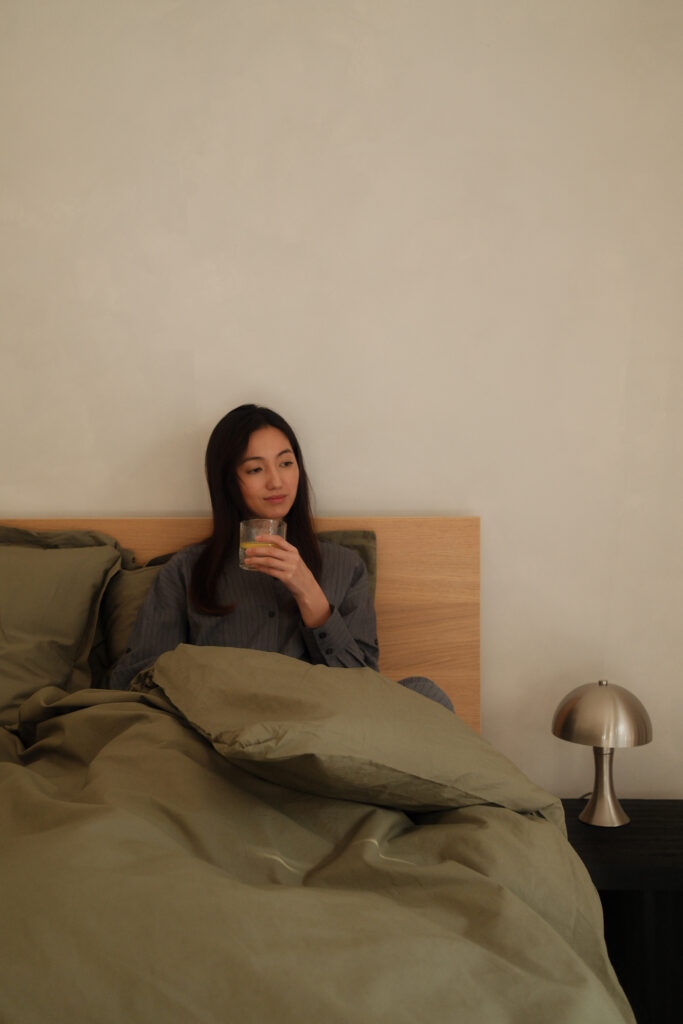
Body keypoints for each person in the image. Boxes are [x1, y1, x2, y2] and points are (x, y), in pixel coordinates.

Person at [106, 404, 452, 710]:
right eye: (255, 469)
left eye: (286, 463)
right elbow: (135, 683)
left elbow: (364, 689)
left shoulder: (345, 567)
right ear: (229, 482)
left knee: (426, 695)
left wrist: (310, 594)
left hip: (322, 727)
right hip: (226, 730)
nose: (276, 481)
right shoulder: (187, 571)